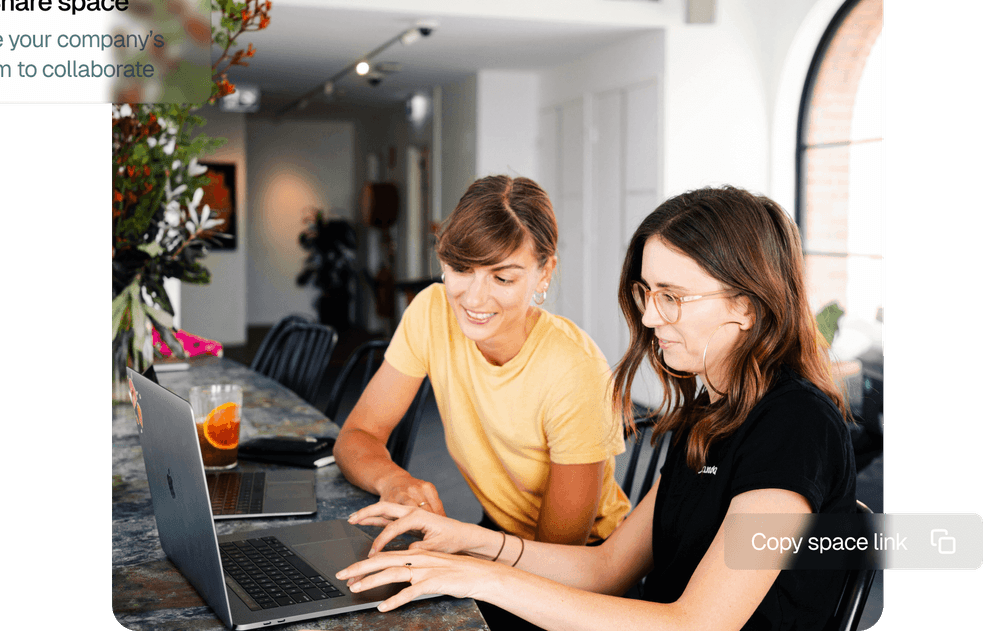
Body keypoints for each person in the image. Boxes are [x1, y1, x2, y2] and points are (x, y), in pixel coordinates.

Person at [336, 185, 857, 631]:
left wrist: (480, 574)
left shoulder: (795, 425)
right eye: (646, 292)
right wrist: (468, 542)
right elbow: (607, 566)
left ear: (746, 304)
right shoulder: (713, 411)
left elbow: (699, 625)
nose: (649, 317)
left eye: (672, 296)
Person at [334, 175, 630, 549]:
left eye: (502, 278)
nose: (474, 299)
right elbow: (356, 436)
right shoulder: (431, 311)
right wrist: (393, 480)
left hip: (583, 566)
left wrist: (462, 547)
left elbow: (558, 559)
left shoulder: (575, 370)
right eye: (461, 269)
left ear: (545, 273)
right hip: (499, 534)